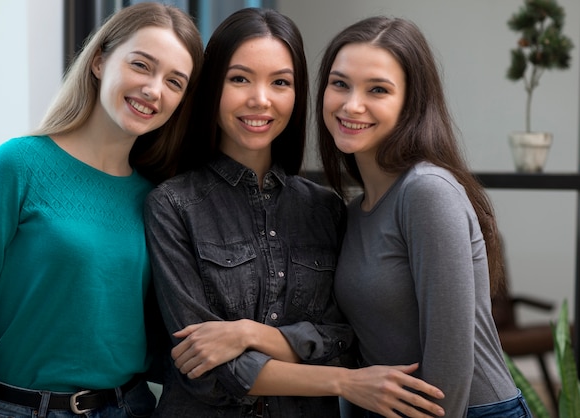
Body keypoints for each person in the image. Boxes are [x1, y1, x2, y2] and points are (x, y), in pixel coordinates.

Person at [144, 8, 446, 418]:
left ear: (298, 93)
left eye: (280, 82)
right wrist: (344, 383)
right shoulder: (172, 205)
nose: (260, 99)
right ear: (212, 86)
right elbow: (204, 368)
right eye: (239, 79)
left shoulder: (326, 209)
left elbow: (343, 339)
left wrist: (249, 335)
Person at [0, 3, 203, 418]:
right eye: (142, 65)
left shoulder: (158, 198)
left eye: (174, 82)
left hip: (132, 406)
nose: (154, 90)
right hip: (22, 408)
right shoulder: (18, 165)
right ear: (100, 61)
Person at [316, 16, 531, 417]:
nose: (351, 104)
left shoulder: (427, 191)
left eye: (377, 89)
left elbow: (450, 361)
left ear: (410, 103)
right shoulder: (355, 212)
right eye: (340, 83)